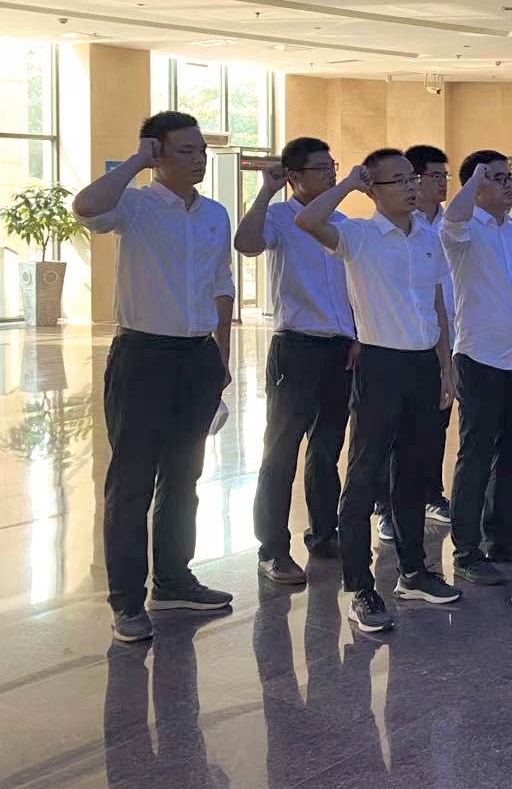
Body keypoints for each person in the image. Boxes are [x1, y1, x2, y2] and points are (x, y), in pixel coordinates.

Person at [74, 111, 236, 642]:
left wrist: (221, 358)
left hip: (198, 357)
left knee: (184, 476)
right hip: (142, 356)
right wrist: (136, 162)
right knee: (132, 482)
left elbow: (222, 286)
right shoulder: (135, 205)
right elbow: (85, 207)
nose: (199, 159)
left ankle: (172, 581)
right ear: (157, 153)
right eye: (186, 151)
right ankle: (126, 601)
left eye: (201, 150)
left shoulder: (214, 214)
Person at [295, 149, 459, 634]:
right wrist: (347, 183)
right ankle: (360, 587)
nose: (411, 187)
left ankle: (413, 572)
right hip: (380, 365)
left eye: (412, 179)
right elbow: (307, 220)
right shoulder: (358, 236)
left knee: (413, 472)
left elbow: (436, 304)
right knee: (365, 475)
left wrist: (445, 366)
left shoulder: (428, 237)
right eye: (398, 181)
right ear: (373, 190)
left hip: (423, 364)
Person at [234, 136, 355, 585]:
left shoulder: (341, 223)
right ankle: (272, 550)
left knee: (326, 450)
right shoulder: (279, 218)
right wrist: (265, 192)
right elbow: (246, 244)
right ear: (294, 176)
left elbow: (353, 287)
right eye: (322, 168)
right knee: (281, 452)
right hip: (297, 349)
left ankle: (324, 535)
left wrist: (357, 336)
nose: (332, 174)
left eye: (333, 165)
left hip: (341, 349)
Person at [442, 150, 512, 585]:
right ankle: (466, 550)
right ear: (475, 184)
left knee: (511, 451)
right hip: (479, 355)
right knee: (477, 453)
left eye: (509, 177)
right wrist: (475, 177)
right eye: (496, 178)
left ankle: (501, 534)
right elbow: (452, 220)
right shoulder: (464, 231)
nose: (507, 184)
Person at [371, 144, 452, 539]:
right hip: (391, 349)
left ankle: (430, 494)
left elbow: (439, 297)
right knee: (391, 438)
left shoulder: (447, 225)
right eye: (433, 176)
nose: (441, 183)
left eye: (444, 176)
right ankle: (385, 506)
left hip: (437, 340)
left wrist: (446, 360)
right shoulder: (387, 229)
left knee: (432, 430)